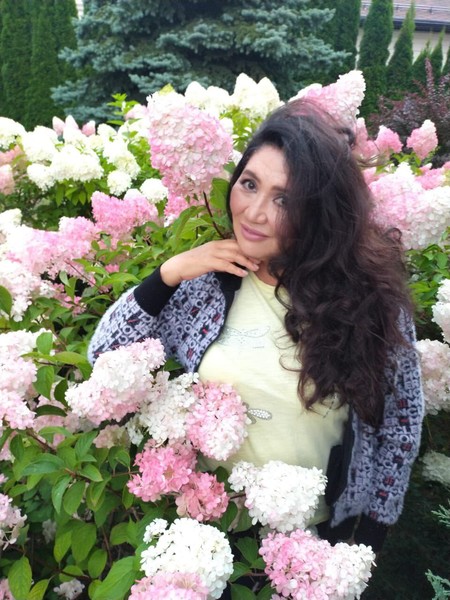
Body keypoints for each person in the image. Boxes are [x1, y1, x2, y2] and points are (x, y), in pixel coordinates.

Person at [88, 99, 424, 555]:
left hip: (313, 546)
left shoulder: (369, 303)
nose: (254, 212)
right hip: (207, 538)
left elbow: (399, 428)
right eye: (249, 184)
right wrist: (166, 275)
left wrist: (363, 546)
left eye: (284, 199)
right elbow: (105, 357)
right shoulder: (208, 286)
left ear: (320, 212)